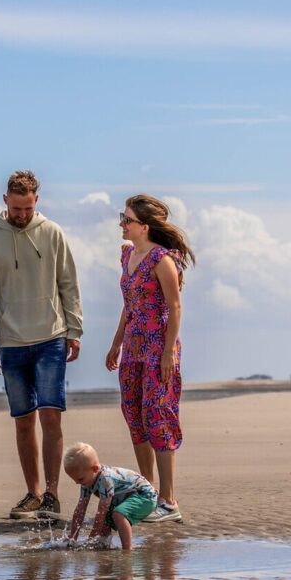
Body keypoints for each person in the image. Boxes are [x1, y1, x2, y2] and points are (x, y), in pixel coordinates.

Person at [0, 170, 83, 521]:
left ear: (37, 201)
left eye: (28, 208)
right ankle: (33, 494)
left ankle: (52, 495)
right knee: (23, 421)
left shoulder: (52, 233)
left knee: (51, 416)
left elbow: (68, 283)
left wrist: (75, 330)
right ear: (5, 201)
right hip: (11, 342)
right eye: (16, 208)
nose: (22, 214)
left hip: (51, 336)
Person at [105, 195, 195, 523]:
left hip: (159, 349)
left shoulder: (161, 259)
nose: (121, 223)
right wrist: (116, 344)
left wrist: (170, 350)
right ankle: (147, 493)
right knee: (134, 415)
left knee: (158, 417)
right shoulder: (127, 255)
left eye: (126, 219)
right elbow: (129, 306)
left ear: (144, 226)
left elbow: (175, 306)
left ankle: (168, 501)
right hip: (132, 348)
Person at [63, 442, 157, 551]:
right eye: (74, 479)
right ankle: (103, 546)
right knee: (105, 519)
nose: (77, 483)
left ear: (94, 469)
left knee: (117, 514)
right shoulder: (86, 480)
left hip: (145, 496)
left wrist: (93, 535)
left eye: (79, 479)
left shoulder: (105, 479)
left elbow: (102, 509)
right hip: (125, 498)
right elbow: (80, 509)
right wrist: (73, 537)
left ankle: (127, 550)